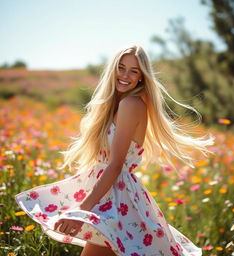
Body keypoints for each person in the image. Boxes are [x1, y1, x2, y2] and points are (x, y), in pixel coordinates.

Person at [15, 44, 215, 256]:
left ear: (141, 77)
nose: (125, 75)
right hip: (107, 196)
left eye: (134, 70)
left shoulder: (131, 103)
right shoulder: (114, 105)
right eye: (121, 67)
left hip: (117, 202)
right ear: (112, 69)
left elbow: (116, 164)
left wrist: (81, 211)